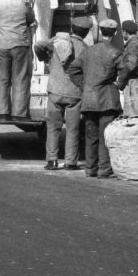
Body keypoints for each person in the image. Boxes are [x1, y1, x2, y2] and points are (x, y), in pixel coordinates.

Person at [37, 16, 86, 170]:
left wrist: (46, 52)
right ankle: (71, 162)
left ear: (72, 29)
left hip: (55, 91)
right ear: (86, 33)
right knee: (73, 129)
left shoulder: (57, 43)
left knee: (53, 127)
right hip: (75, 94)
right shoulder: (85, 48)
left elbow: (38, 45)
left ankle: (52, 160)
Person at [79, 23, 125, 178]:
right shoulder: (115, 53)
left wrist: (84, 85)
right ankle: (104, 169)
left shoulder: (88, 51)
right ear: (115, 33)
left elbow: (73, 69)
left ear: (100, 31)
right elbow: (125, 70)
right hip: (107, 101)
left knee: (91, 136)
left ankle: (90, 168)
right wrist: (119, 84)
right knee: (105, 136)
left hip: (89, 100)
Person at [0, 0, 35, 121]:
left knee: (1, 79)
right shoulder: (24, 3)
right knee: (20, 79)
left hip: (2, 46)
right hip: (20, 45)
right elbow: (30, 20)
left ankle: (2, 113)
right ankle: (18, 114)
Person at [119, 19, 138, 118]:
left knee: (133, 118)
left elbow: (130, 66)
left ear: (125, 32)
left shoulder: (132, 45)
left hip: (134, 84)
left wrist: (120, 82)